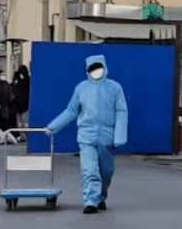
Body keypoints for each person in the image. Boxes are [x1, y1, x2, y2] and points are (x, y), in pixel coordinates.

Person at [47, 54, 129, 215]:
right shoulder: (81, 88)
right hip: (86, 136)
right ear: (87, 71)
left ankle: (101, 197)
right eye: (92, 69)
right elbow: (71, 110)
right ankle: (90, 201)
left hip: (107, 137)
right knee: (90, 170)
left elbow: (121, 111)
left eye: (98, 68)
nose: (96, 72)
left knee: (106, 171)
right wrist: (53, 127)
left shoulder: (115, 88)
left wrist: (120, 135)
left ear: (104, 68)